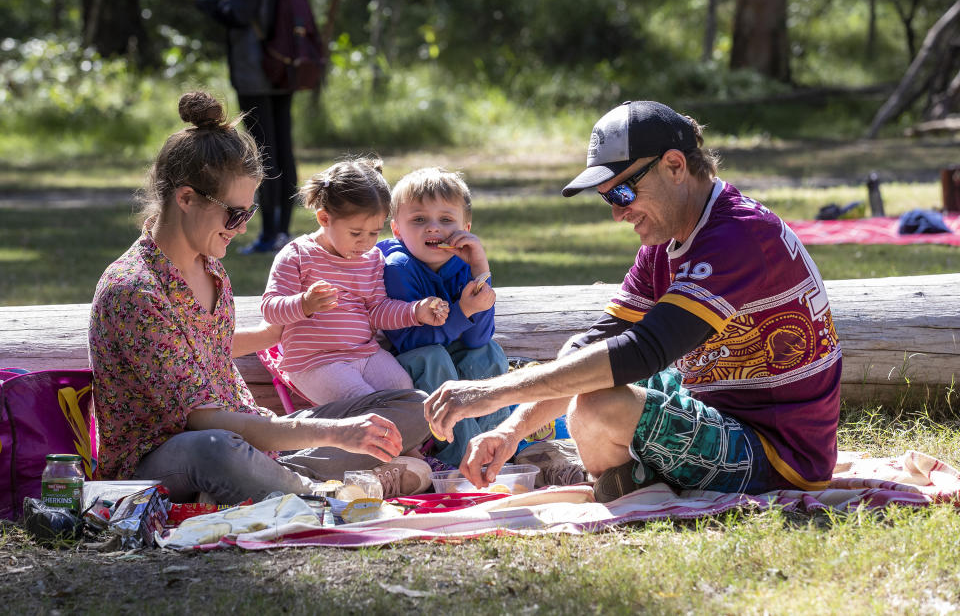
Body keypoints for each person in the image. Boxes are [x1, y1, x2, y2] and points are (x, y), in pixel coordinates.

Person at [423, 100, 843, 502]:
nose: (617, 214)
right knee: (579, 362)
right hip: (716, 409)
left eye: (623, 193)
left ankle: (633, 479)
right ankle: (633, 477)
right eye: (608, 198)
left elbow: (642, 352)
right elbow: (595, 346)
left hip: (779, 454)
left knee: (597, 404)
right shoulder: (670, 239)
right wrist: (511, 431)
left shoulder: (737, 236)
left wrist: (491, 393)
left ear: (675, 166)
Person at [88, 92, 431, 504]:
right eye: (234, 214)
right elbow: (203, 420)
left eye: (248, 214)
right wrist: (335, 432)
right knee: (215, 449)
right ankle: (319, 492)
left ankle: (284, 482)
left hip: (253, 439)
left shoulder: (210, 268)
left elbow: (215, 349)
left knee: (414, 406)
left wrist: (283, 332)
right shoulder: (133, 291)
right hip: (173, 457)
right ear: (185, 198)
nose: (242, 228)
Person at [261, 158, 449, 407]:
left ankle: (406, 445)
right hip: (315, 361)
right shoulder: (297, 254)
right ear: (324, 219)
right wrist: (305, 303)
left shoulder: (371, 259)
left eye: (374, 233)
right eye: (356, 233)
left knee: (406, 393)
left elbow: (378, 310)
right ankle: (404, 447)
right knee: (364, 403)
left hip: (364, 353)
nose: (366, 243)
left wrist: (416, 311)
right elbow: (270, 308)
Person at [375, 167, 511, 467]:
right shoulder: (398, 267)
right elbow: (410, 340)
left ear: (466, 227)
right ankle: (460, 459)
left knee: (488, 353)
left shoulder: (463, 264)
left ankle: (498, 447)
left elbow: (478, 338)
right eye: (419, 220)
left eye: (446, 220)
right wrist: (462, 312)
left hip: (454, 354)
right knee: (434, 357)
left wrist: (479, 270)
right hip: (411, 363)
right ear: (397, 229)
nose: (433, 228)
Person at [194, 0, 301, 254]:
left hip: (255, 71)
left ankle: (269, 235)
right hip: (284, 66)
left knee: (262, 149)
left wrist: (211, 4)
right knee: (282, 148)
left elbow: (239, 16)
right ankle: (282, 230)